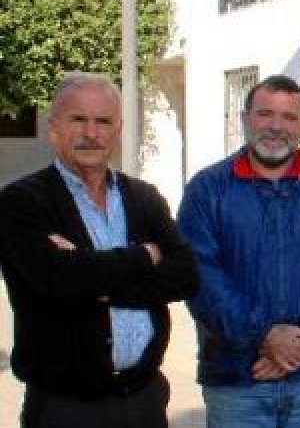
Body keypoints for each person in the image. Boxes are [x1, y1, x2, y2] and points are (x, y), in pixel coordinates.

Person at [0, 72, 198, 428]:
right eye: (78, 119)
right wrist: (144, 256)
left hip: (144, 400)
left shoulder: (143, 197)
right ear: (54, 126)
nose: (92, 133)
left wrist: (93, 280)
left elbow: (185, 275)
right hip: (65, 408)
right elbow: (55, 281)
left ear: (118, 129)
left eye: (103, 121)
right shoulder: (21, 202)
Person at [177, 74, 300, 428]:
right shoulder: (206, 190)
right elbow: (200, 275)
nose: (276, 127)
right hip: (236, 379)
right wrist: (264, 336)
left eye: (289, 117)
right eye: (265, 114)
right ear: (245, 119)